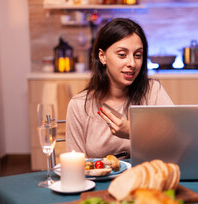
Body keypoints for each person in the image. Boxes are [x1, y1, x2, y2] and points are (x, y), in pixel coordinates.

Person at [66, 18, 173, 158]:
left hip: (145, 177)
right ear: (102, 56)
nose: (132, 63)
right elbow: (75, 165)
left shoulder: (152, 90)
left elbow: (175, 141)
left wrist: (133, 131)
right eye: (122, 55)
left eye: (138, 55)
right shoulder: (79, 105)